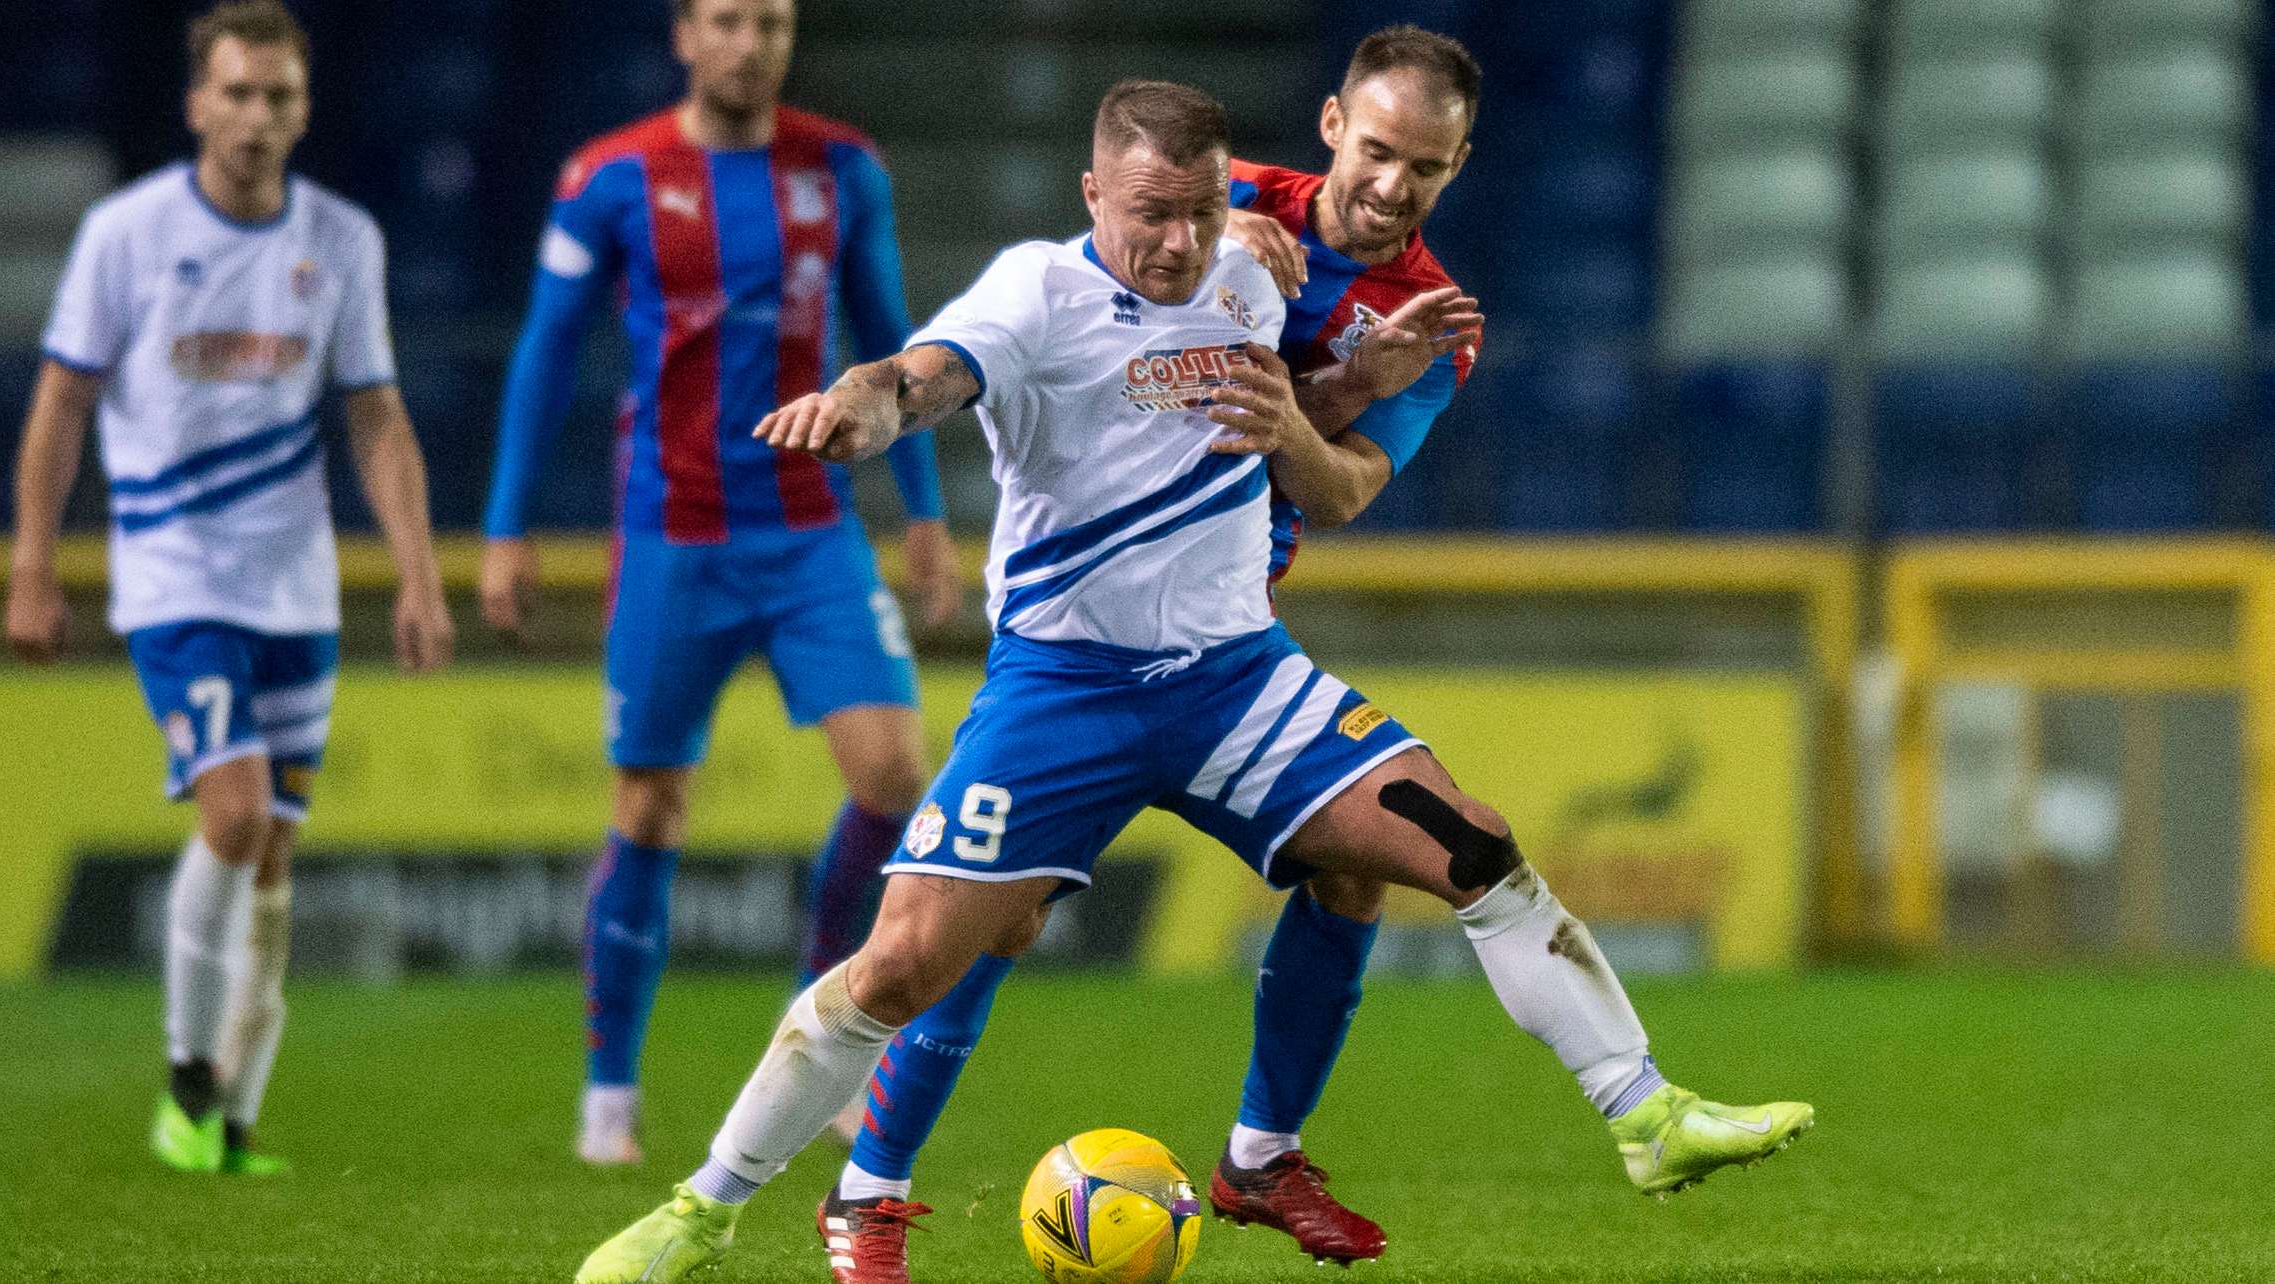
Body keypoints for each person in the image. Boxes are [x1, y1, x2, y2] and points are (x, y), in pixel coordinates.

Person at [572, 77, 1811, 1284]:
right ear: (1091, 194)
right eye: (1148, 214)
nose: (1175, 245)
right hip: (1063, 689)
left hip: (1235, 679)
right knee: (905, 963)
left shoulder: (1252, 269)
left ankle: (1642, 1114)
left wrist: (1353, 384)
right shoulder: (1035, 289)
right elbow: (916, 374)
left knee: (1470, 844)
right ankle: (705, 1214)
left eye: (1200, 213)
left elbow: (1302, 443)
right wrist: (858, 409)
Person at [478, 0, 959, 1168]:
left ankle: (823, 1014)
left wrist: (930, 512)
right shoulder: (609, 178)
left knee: (897, 776)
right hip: (671, 535)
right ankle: (608, 1099)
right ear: (686, 35)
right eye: (730, 21)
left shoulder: (843, 168)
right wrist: (503, 526)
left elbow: (894, 339)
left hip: (810, 529)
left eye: (773, 23)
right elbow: (546, 352)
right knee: (649, 808)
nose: (752, 43)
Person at [5, 0, 453, 1177]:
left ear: (304, 110)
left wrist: (416, 573)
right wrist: (35, 564)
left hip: (295, 588)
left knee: (271, 859)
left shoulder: (342, 240)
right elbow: (61, 402)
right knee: (236, 814)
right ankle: (185, 1077)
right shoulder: (129, 234)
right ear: (198, 102)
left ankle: (224, 1129)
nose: (258, 117)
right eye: (238, 93)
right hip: (173, 574)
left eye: (280, 97)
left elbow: (375, 414)